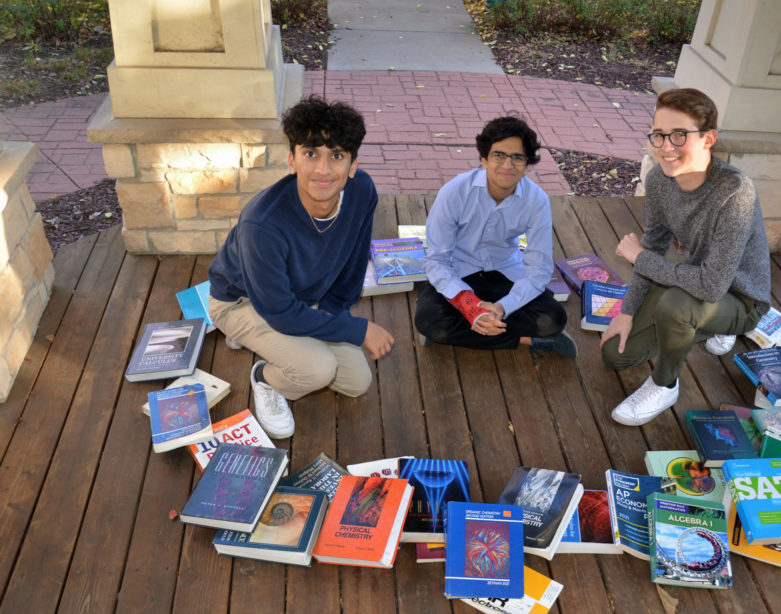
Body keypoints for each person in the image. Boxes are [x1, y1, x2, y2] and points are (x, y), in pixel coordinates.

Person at [207, 96, 394, 439]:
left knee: (357, 382)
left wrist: (335, 314)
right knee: (317, 370)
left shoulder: (361, 191)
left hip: (303, 299)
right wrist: (356, 330)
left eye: (336, 156)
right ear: (292, 160)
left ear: (352, 166)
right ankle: (265, 378)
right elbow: (279, 312)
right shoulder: (261, 224)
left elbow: (353, 264)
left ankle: (281, 349)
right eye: (311, 154)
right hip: (243, 301)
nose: (323, 170)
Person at [600, 88, 771, 426]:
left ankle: (665, 384)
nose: (666, 147)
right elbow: (653, 248)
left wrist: (639, 259)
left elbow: (710, 286)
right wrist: (627, 311)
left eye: (679, 135)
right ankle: (702, 327)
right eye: (659, 135)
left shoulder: (735, 192)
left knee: (677, 307)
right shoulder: (660, 183)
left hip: (739, 297)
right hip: (696, 279)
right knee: (616, 356)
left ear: (708, 139)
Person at [414, 116, 576, 358]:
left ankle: (461, 331)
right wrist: (470, 307)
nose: (507, 165)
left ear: (528, 164)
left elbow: (539, 268)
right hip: (459, 274)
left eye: (518, 157)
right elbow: (437, 261)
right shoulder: (454, 192)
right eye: (499, 155)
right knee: (428, 319)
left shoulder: (537, 200)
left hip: (506, 273)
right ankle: (525, 340)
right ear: (483, 159)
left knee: (553, 318)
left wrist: (503, 307)